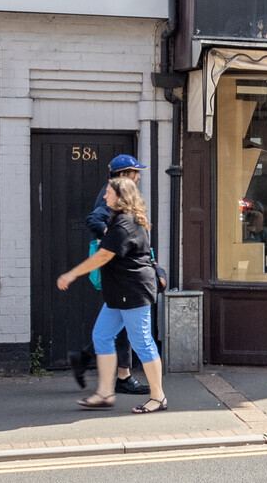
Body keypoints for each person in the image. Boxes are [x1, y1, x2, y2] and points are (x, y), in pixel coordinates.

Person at [56, 176, 165, 415]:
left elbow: (103, 256)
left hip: (132, 291)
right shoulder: (122, 220)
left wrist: (71, 274)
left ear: (121, 196)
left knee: (142, 342)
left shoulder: (124, 223)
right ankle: (105, 393)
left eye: (108, 193)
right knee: (102, 335)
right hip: (119, 292)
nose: (104, 196)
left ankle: (158, 397)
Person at [73, 156, 148, 397]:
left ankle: (86, 358)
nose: (138, 176)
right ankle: (127, 379)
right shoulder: (112, 195)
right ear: (124, 174)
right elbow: (94, 219)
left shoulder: (121, 195)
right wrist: (114, 236)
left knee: (113, 325)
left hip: (123, 272)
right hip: (120, 272)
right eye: (135, 172)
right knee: (127, 327)